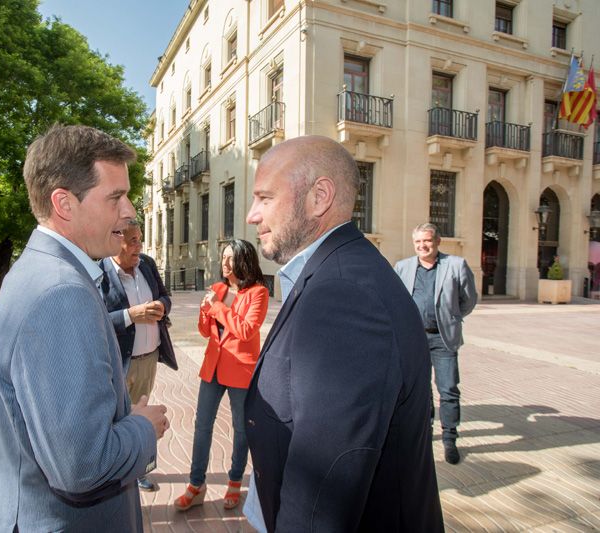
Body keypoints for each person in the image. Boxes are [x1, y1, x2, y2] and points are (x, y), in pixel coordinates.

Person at [0, 125, 170, 532]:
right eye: (115, 197)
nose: (130, 210)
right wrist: (141, 427)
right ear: (64, 203)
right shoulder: (61, 292)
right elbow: (82, 466)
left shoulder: (42, 270)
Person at [244, 136, 444, 532]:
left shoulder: (344, 292)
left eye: (265, 198)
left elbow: (324, 483)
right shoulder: (335, 272)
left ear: (319, 197)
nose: (252, 214)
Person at [174, 239, 269, 512]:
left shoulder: (258, 293)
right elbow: (206, 332)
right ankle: (196, 484)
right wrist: (205, 312)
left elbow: (246, 330)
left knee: (241, 429)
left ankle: (235, 480)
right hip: (213, 367)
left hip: (240, 369)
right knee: (202, 425)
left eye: (230, 258)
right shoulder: (218, 289)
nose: (224, 263)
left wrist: (217, 308)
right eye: (223, 258)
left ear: (244, 261)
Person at [100, 220, 178, 491]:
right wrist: (131, 315)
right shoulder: (100, 272)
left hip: (147, 360)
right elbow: (95, 320)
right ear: (116, 240)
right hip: (119, 362)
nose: (138, 246)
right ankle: (117, 472)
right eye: (132, 240)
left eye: (140, 239)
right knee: (118, 419)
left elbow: (166, 297)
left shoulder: (146, 264)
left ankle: (140, 468)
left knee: (142, 416)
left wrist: (161, 306)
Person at [394, 222, 477, 465]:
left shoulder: (456, 265)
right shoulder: (403, 267)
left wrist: (452, 318)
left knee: (448, 389)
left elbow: (469, 299)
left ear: (437, 241)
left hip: (442, 338)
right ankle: (425, 432)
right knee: (421, 391)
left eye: (427, 241)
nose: (423, 246)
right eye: (418, 242)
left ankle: (450, 438)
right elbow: (397, 299)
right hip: (414, 339)